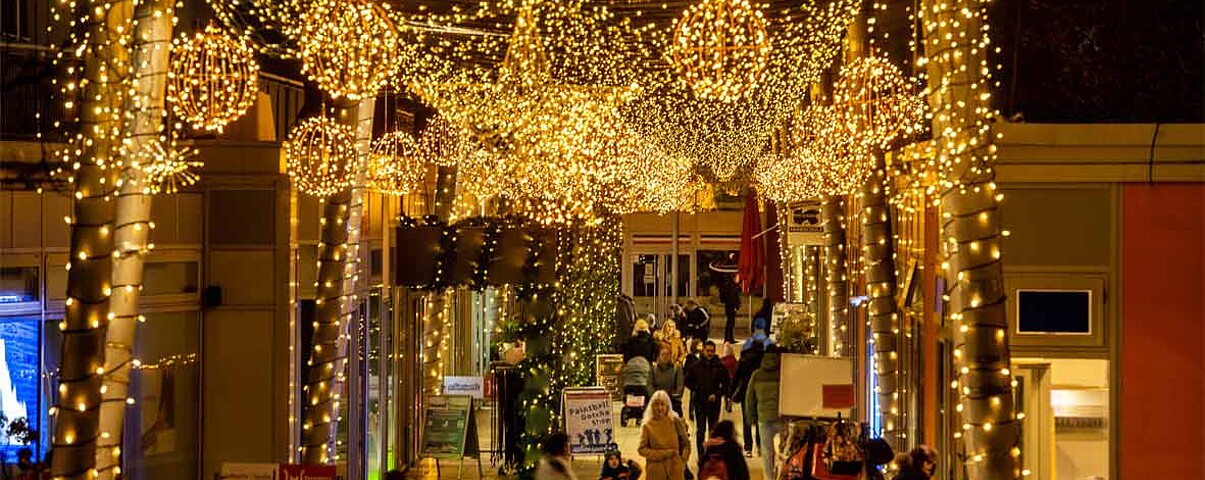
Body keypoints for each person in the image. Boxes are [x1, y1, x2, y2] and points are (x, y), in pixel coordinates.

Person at [685, 340, 730, 459]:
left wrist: (717, 394)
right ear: (703, 351)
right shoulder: (696, 366)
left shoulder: (720, 367)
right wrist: (697, 389)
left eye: (712, 351)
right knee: (700, 430)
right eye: (708, 351)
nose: (710, 353)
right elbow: (688, 381)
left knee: (713, 430)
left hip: (714, 404)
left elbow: (726, 385)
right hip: (700, 403)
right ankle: (701, 455)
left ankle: (711, 454)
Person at [745, 345, 783, 480]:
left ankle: (769, 477)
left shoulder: (757, 375)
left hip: (764, 417)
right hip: (782, 416)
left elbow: (749, 398)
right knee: (785, 449)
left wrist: (751, 417)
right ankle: (783, 474)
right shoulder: (783, 372)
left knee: (766, 451)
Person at [639, 391, 691, 480]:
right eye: (656, 405)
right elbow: (642, 449)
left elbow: (686, 444)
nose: (659, 408)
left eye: (662, 404)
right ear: (652, 407)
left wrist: (682, 461)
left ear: (667, 406)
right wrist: (663, 454)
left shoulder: (675, 421)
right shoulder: (647, 426)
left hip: (675, 469)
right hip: (655, 471)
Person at [730, 341, 764, 457]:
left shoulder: (744, 358)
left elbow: (737, 376)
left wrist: (731, 393)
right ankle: (760, 446)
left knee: (747, 419)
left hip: (745, 392)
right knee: (760, 420)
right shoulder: (763, 359)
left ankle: (748, 447)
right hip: (760, 391)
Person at [651, 347, 686, 416]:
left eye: (667, 354)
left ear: (670, 356)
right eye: (663, 354)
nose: (665, 357)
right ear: (659, 356)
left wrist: (675, 395)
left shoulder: (677, 368)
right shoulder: (653, 369)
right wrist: (656, 396)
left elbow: (680, 385)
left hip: (673, 402)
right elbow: (650, 384)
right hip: (657, 401)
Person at [719, 278, 741, 343]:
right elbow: (733, 297)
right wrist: (736, 306)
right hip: (731, 307)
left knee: (730, 323)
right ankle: (728, 338)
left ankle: (730, 338)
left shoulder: (731, 286)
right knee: (730, 323)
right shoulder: (731, 287)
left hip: (729, 306)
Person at [718, 343, 737, 412]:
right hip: (732, 379)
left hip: (725, 380)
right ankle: (729, 403)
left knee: (726, 393)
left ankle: (727, 404)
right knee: (730, 393)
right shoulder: (734, 360)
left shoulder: (723, 361)